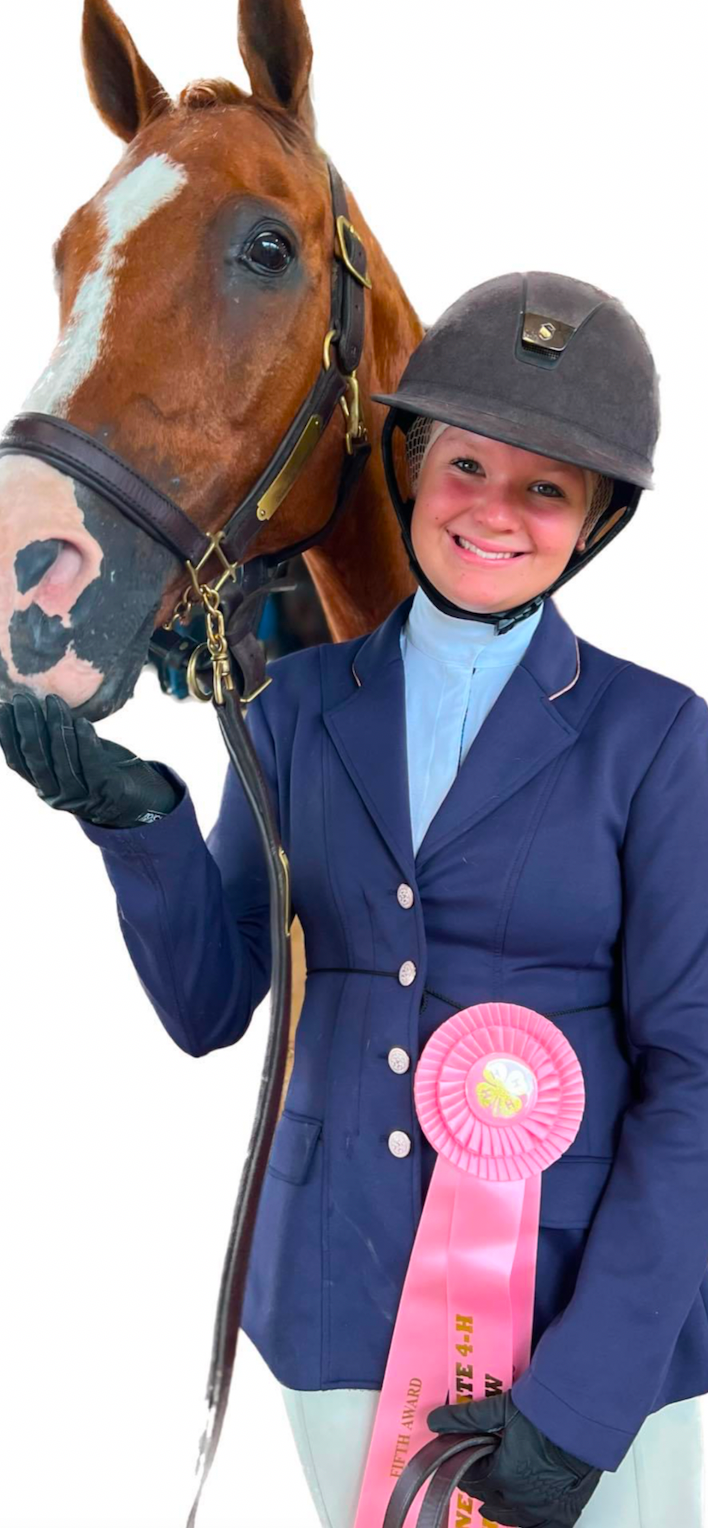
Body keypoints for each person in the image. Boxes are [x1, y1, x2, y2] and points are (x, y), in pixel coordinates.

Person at [2, 271, 708, 1528]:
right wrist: (139, 822)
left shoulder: (657, 738)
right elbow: (212, 1003)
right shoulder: (293, 708)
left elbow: (695, 1073)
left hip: (580, 1329)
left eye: (546, 487)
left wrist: (586, 1398)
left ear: (594, 521)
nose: (494, 513)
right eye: (467, 467)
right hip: (335, 1299)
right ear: (410, 469)